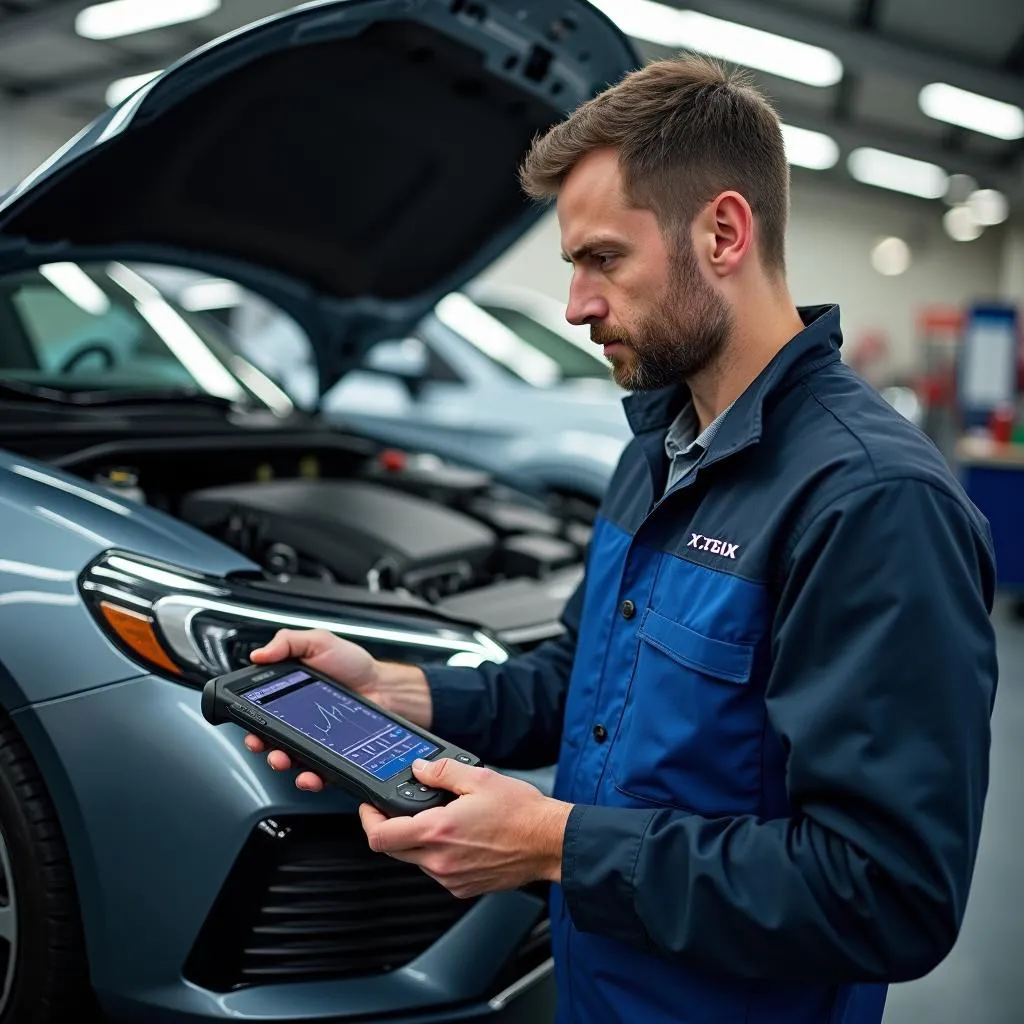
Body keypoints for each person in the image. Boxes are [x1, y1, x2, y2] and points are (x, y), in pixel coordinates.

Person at [242, 55, 999, 1024]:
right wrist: (401, 691)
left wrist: (558, 845)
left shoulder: (872, 503)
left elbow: (886, 891)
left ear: (722, 232)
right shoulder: (654, 450)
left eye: (602, 258)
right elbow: (581, 680)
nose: (575, 305)